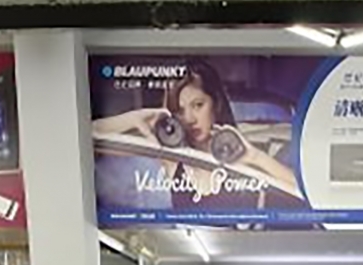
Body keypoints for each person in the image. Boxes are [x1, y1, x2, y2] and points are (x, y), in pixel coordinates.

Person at [92, 60, 300, 206]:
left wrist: (254, 157)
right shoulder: (171, 155)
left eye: (198, 105)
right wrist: (135, 117)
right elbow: (88, 136)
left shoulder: (243, 148)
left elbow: (307, 194)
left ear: (216, 103)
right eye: (180, 111)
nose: (189, 119)